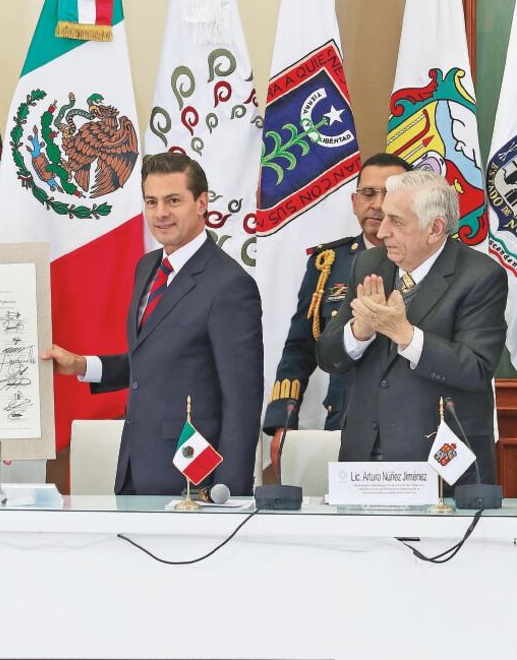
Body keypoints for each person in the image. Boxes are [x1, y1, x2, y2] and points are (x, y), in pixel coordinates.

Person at [44, 152, 263, 495]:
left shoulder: (231, 286)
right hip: (134, 468)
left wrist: (228, 494)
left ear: (201, 203)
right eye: (151, 201)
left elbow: (242, 401)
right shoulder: (147, 267)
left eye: (173, 200)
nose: (161, 213)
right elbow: (152, 362)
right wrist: (83, 366)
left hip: (194, 484)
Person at [316, 169, 507, 483]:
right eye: (385, 217)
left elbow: (475, 368)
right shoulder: (369, 264)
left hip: (440, 463)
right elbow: (328, 357)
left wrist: (405, 335)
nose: (383, 231)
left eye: (397, 221)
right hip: (364, 458)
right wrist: (358, 332)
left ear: (435, 229)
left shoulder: (480, 276)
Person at [264, 153, 411, 466]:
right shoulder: (328, 263)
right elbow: (299, 349)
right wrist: (282, 421)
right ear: (354, 201)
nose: (377, 205)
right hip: (344, 424)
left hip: (412, 429)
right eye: (368, 193)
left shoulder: (428, 262)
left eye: (389, 194)